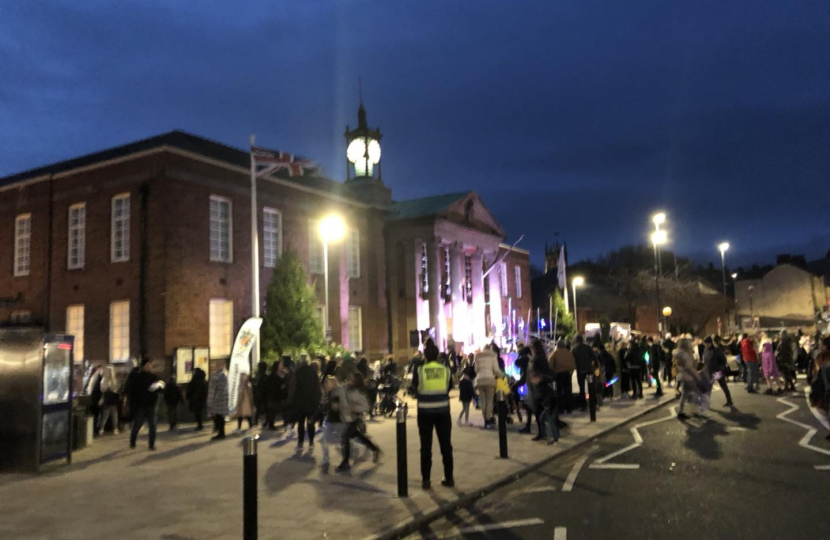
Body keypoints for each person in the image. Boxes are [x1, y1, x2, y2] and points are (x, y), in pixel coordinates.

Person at [412, 339, 454, 489]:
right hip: (443, 411)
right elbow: (450, 387)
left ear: (425, 356)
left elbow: (414, 389)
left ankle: (426, 480)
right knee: (446, 446)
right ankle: (449, 478)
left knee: (425, 446)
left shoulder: (420, 370)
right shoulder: (445, 370)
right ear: (437, 356)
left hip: (424, 412)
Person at [336, 373, 381, 472]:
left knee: (345, 437)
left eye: (353, 380)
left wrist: (354, 408)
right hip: (348, 418)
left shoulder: (359, 393)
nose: (351, 381)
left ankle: (345, 462)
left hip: (355, 418)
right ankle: (374, 448)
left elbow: (366, 407)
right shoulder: (346, 388)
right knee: (358, 435)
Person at [129, 359, 164, 450]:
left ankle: (151, 444)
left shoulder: (153, 377)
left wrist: (159, 386)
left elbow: (160, 389)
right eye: (148, 365)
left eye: (150, 365)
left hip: (152, 404)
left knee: (152, 426)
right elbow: (134, 391)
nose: (149, 367)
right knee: (137, 424)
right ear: (144, 366)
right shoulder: (138, 377)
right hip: (141, 405)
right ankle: (132, 442)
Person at [289, 357, 322, 449]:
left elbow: (293, 387)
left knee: (301, 423)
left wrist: (291, 400)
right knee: (310, 422)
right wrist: (317, 400)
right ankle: (311, 442)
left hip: (300, 401)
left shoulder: (298, 373)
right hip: (311, 401)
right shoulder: (313, 373)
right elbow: (317, 388)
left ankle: (300, 442)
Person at [530, 356, 558, 445]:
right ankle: (546, 434)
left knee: (550, 421)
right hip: (549, 405)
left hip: (551, 405)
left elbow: (548, 396)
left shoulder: (543, 386)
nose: (532, 381)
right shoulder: (540, 386)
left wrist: (548, 407)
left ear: (538, 378)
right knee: (542, 418)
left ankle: (555, 438)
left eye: (533, 379)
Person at [319, 376, 344, 473]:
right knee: (323, 440)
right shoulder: (328, 394)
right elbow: (323, 408)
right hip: (330, 421)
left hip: (339, 421)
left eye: (327, 383)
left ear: (333, 383)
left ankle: (349, 456)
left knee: (343, 442)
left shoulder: (337, 394)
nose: (326, 385)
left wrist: (336, 406)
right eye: (325, 383)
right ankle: (326, 459)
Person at [474, 344, 502, 428]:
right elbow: (496, 370)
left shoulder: (478, 356)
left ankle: (485, 420)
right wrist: (501, 375)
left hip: (480, 380)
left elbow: (476, 369)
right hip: (489, 380)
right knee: (489, 401)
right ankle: (488, 419)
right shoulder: (493, 355)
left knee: (483, 401)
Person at [703, 336, 733, 407]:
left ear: (711, 343)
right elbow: (705, 360)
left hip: (717, 371)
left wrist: (721, 368)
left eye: (708, 343)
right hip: (709, 371)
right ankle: (706, 402)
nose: (707, 345)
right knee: (708, 387)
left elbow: (723, 359)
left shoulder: (716, 350)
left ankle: (729, 401)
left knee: (723, 386)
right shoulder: (705, 350)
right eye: (706, 344)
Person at [549, 340, 576, 413]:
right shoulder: (569, 353)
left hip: (559, 374)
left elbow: (550, 364)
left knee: (559, 392)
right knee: (568, 391)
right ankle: (569, 408)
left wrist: (552, 372)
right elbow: (573, 364)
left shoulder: (555, 353)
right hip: (567, 373)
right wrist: (571, 371)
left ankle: (561, 409)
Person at [571, 335, 597, 411]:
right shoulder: (588, 347)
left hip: (580, 370)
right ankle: (593, 404)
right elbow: (594, 357)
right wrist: (595, 365)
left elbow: (571, 359)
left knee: (581, 388)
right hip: (589, 370)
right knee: (591, 387)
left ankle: (583, 405)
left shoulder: (574, 349)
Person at [207, 363, 229, 440]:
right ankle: (221, 433)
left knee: (219, 416)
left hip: (218, 399)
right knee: (220, 416)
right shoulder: (224, 375)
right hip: (222, 399)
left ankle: (221, 433)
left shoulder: (218, 376)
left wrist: (214, 399)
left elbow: (215, 389)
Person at [98, 365, 120, 435]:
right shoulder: (114, 380)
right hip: (112, 399)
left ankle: (101, 429)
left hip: (107, 399)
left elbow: (102, 390)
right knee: (113, 415)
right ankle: (115, 429)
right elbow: (116, 389)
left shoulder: (104, 380)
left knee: (105, 415)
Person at [86, 365, 104, 437]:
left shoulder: (93, 376)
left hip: (93, 398)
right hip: (96, 398)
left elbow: (89, 387)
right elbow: (99, 389)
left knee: (94, 414)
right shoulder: (99, 377)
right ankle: (95, 430)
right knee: (97, 414)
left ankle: (94, 429)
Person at [253, 361, 268, 427]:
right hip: (262, 395)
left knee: (261, 409)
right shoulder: (262, 376)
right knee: (261, 409)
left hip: (262, 395)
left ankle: (257, 421)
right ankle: (257, 421)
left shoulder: (261, 376)